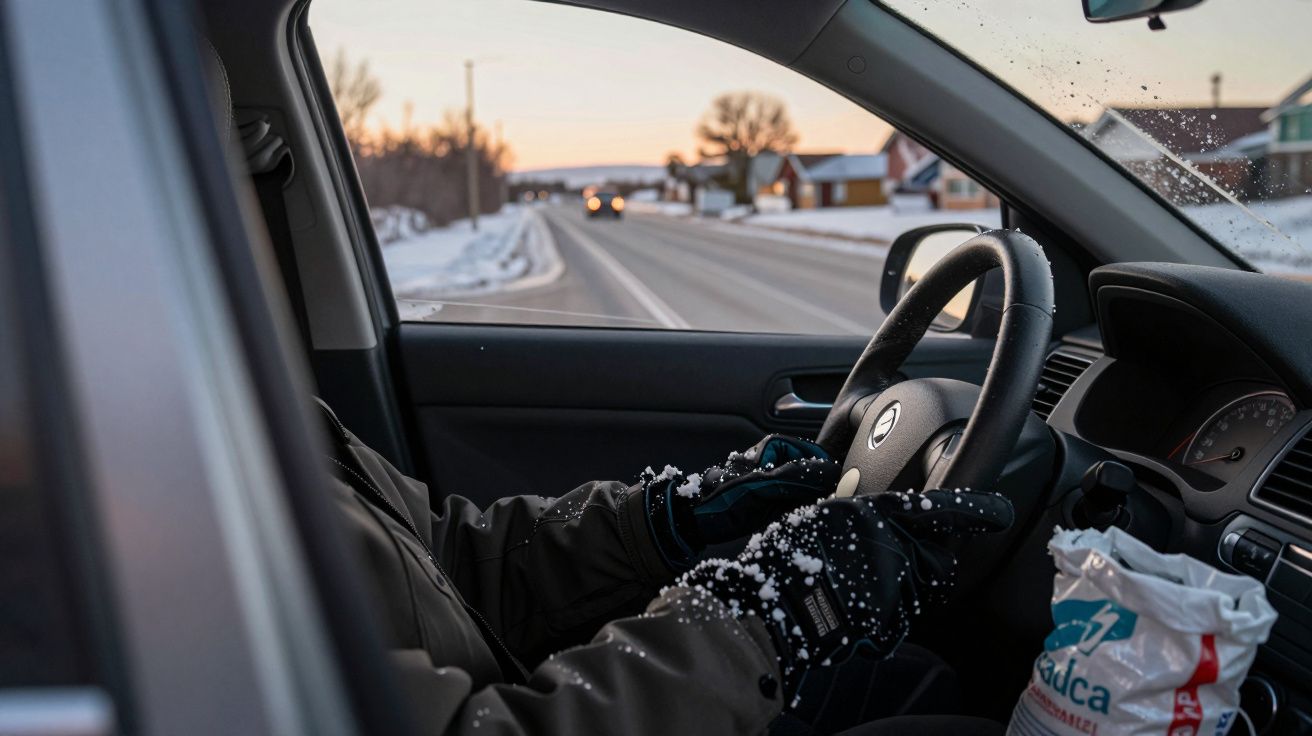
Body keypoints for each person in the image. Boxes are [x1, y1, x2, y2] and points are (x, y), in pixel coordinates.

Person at [318, 400, 1014, 735]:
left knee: (915, 680)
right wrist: (773, 613)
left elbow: (446, 559)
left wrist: (659, 520)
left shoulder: (245, 415)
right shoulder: (207, 545)